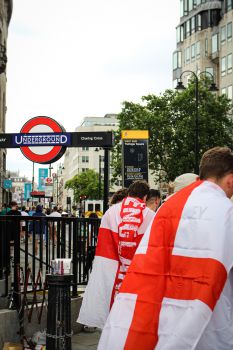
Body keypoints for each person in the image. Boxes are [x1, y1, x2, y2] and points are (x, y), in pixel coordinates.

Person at [98, 147, 233, 350]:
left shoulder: (168, 207)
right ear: (230, 180)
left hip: (168, 313)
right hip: (213, 313)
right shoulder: (226, 211)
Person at [77, 180, 155, 329]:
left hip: (112, 273)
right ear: (145, 197)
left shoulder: (111, 212)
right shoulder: (150, 215)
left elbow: (104, 244)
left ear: (129, 193)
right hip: (138, 275)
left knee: (113, 319)